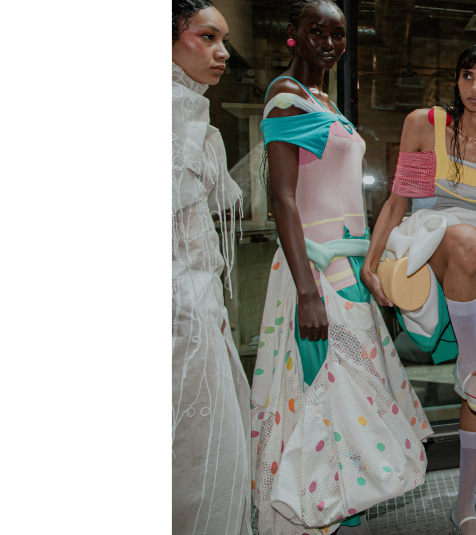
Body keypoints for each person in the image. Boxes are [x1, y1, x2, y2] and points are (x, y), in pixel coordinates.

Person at [248, 2, 432, 533]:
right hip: (318, 276)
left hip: (347, 275)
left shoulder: (324, 100)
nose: (328, 43)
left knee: (353, 403)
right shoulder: (286, 97)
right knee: (322, 396)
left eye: (338, 35)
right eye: (316, 32)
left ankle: (336, 512)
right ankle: (312, 515)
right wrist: (307, 290)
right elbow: (283, 199)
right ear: (293, 35)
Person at [361, 41, 476, 535]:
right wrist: (372, 265)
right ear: (456, 80)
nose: (475, 88)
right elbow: (399, 202)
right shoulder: (426, 125)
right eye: (468, 76)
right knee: (460, 236)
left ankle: (465, 505)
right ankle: (466, 366)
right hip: (427, 246)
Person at [171, 2, 250, 533]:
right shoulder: (174, 110)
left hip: (199, 302)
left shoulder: (192, 110)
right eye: (207, 37)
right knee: (202, 453)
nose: (222, 52)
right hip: (182, 308)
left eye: (224, 40)